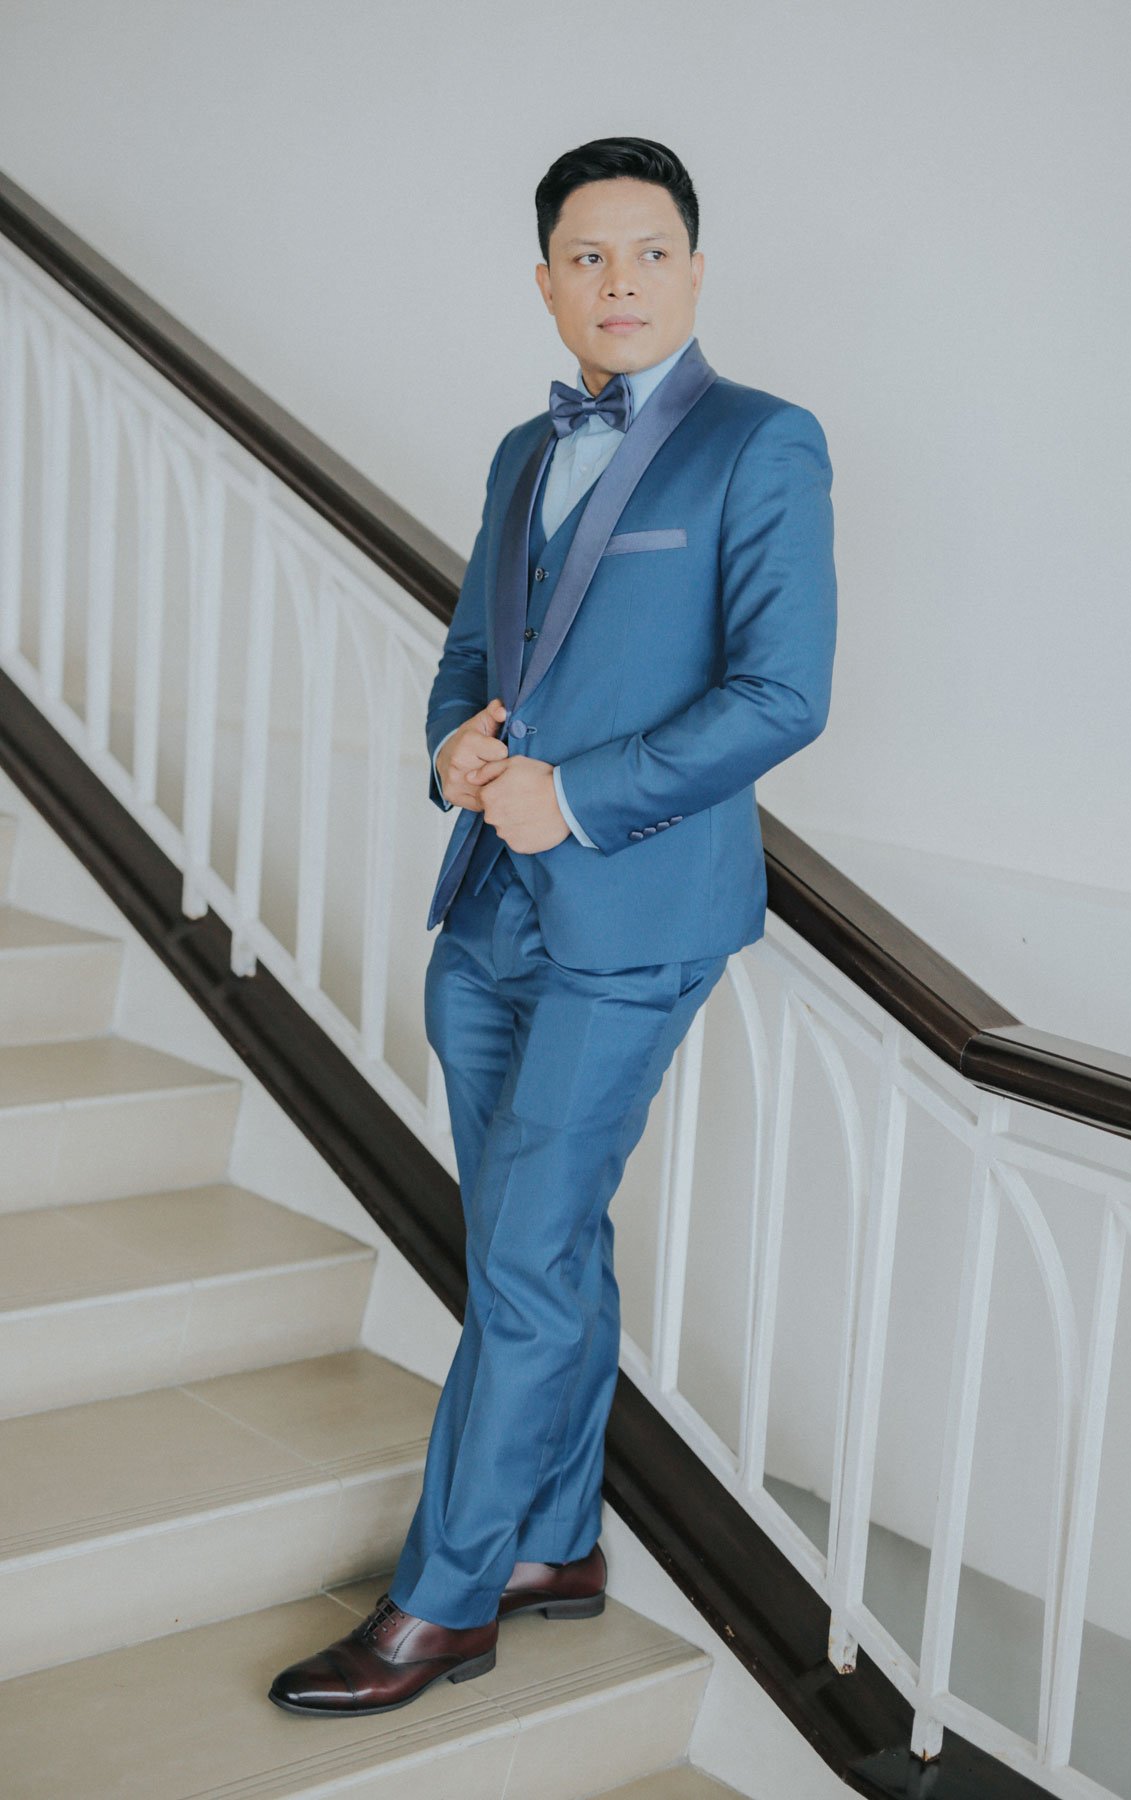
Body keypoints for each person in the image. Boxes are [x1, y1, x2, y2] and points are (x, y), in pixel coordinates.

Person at [269, 134, 837, 1717]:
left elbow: (783, 693)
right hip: (490, 911)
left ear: (695, 271)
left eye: (650, 252)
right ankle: (558, 1543)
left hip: (636, 913)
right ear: (547, 282)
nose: (620, 281)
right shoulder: (529, 450)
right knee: (541, 1243)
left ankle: (441, 1604)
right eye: (589, 256)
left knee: (523, 1256)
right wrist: (454, 749)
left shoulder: (762, 442)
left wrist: (575, 796)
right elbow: (474, 652)